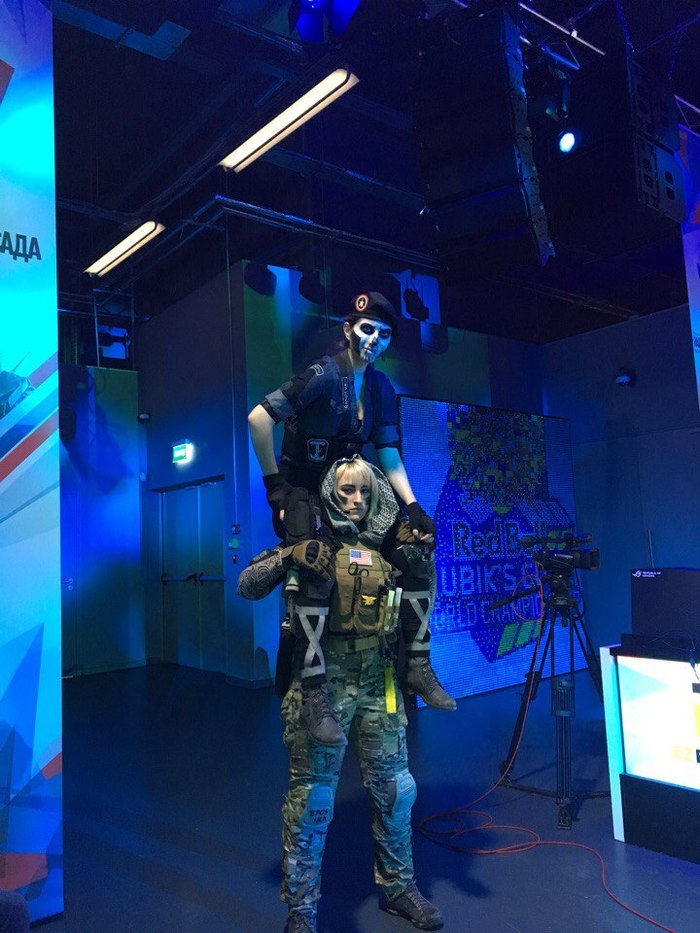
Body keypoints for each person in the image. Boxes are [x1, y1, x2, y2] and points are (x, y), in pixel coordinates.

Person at [238, 456, 444, 933]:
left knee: (396, 788)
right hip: (321, 681)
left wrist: (421, 553)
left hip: (378, 678)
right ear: (331, 492)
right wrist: (290, 556)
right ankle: (301, 909)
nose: (356, 500)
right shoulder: (311, 541)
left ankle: (398, 887)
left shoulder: (385, 546)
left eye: (365, 492)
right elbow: (248, 584)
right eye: (347, 490)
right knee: (312, 798)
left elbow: (421, 593)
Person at [247, 292, 455, 745]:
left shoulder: (380, 388)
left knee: (416, 551)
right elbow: (258, 420)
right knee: (317, 565)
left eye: (384, 334)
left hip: (352, 488)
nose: (374, 339)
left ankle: (418, 663)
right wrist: (275, 486)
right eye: (367, 329)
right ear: (348, 329)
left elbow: (388, 452)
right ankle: (314, 692)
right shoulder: (323, 374)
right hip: (305, 491)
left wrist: (413, 507)